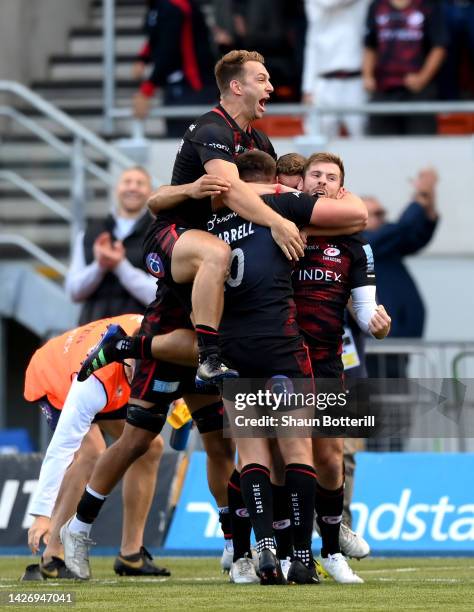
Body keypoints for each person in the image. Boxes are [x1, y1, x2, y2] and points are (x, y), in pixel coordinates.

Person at [144, 49, 305, 386]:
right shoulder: (212, 128)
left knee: (145, 438)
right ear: (236, 87)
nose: (271, 88)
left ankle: (144, 354)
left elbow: (268, 191)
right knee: (216, 254)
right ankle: (205, 359)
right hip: (174, 236)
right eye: (261, 80)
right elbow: (231, 191)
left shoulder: (259, 139)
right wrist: (279, 222)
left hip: (213, 249)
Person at [61, 283, 235, 581]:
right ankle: (78, 528)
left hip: (204, 353)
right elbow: (194, 306)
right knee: (135, 441)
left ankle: (235, 543)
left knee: (220, 444)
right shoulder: (196, 247)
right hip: (169, 344)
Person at [291, 152, 391, 583]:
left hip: (328, 360)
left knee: (330, 456)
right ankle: (258, 549)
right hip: (277, 358)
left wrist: (377, 323)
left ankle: (330, 550)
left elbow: (366, 309)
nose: (321, 182)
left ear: (340, 189)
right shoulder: (277, 227)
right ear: (303, 182)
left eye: (331, 177)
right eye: (315, 175)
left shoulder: (354, 244)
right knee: (276, 458)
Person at [23, 314, 168, 579]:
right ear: (127, 362)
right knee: (91, 453)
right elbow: (61, 448)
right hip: (57, 373)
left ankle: (131, 554)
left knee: (149, 446)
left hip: (111, 381)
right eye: (137, 375)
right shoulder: (93, 380)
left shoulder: (158, 337)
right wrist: (41, 514)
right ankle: (52, 555)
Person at [363, 168, 439, 450]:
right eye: (377, 215)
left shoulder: (385, 248)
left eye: (384, 214)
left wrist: (428, 199)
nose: (384, 220)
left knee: (395, 416)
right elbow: (404, 228)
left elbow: (417, 233)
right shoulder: (363, 244)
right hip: (374, 352)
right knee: (374, 414)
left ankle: (391, 458)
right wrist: (420, 195)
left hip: (395, 351)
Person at [65, 167, 156, 325]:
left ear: (150, 192)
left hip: (138, 335)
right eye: (127, 182)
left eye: (140, 183)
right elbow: (73, 292)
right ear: (116, 189)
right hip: (92, 334)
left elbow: (157, 295)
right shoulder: (89, 233)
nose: (133, 187)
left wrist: (120, 266)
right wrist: (99, 266)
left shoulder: (158, 234)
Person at [132, 0, 217, 135]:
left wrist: (147, 90)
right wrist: (143, 59)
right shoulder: (158, 6)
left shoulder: (176, 6)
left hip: (193, 88)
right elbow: (157, 37)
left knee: (189, 146)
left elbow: (168, 50)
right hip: (178, 89)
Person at [363, 0, 447, 135]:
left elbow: (439, 47)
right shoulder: (377, 6)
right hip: (383, 91)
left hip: (418, 92)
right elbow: (370, 45)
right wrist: (367, 76)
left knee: (421, 148)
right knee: (380, 149)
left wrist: (422, 78)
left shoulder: (428, 5)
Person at [302, 0, 369, 138]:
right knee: (320, 145)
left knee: (363, 139)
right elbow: (312, 45)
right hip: (323, 81)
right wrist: (308, 88)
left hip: (356, 81)